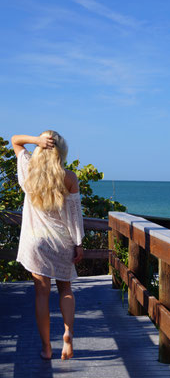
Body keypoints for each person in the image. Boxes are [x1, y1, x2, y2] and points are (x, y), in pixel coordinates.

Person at [11, 131, 85, 361]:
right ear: (61, 152)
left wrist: (36, 141)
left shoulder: (29, 172)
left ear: (41, 149)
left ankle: (46, 348)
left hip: (36, 243)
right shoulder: (69, 177)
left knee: (41, 295)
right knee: (66, 290)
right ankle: (67, 334)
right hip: (61, 241)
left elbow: (15, 140)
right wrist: (79, 243)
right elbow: (75, 217)